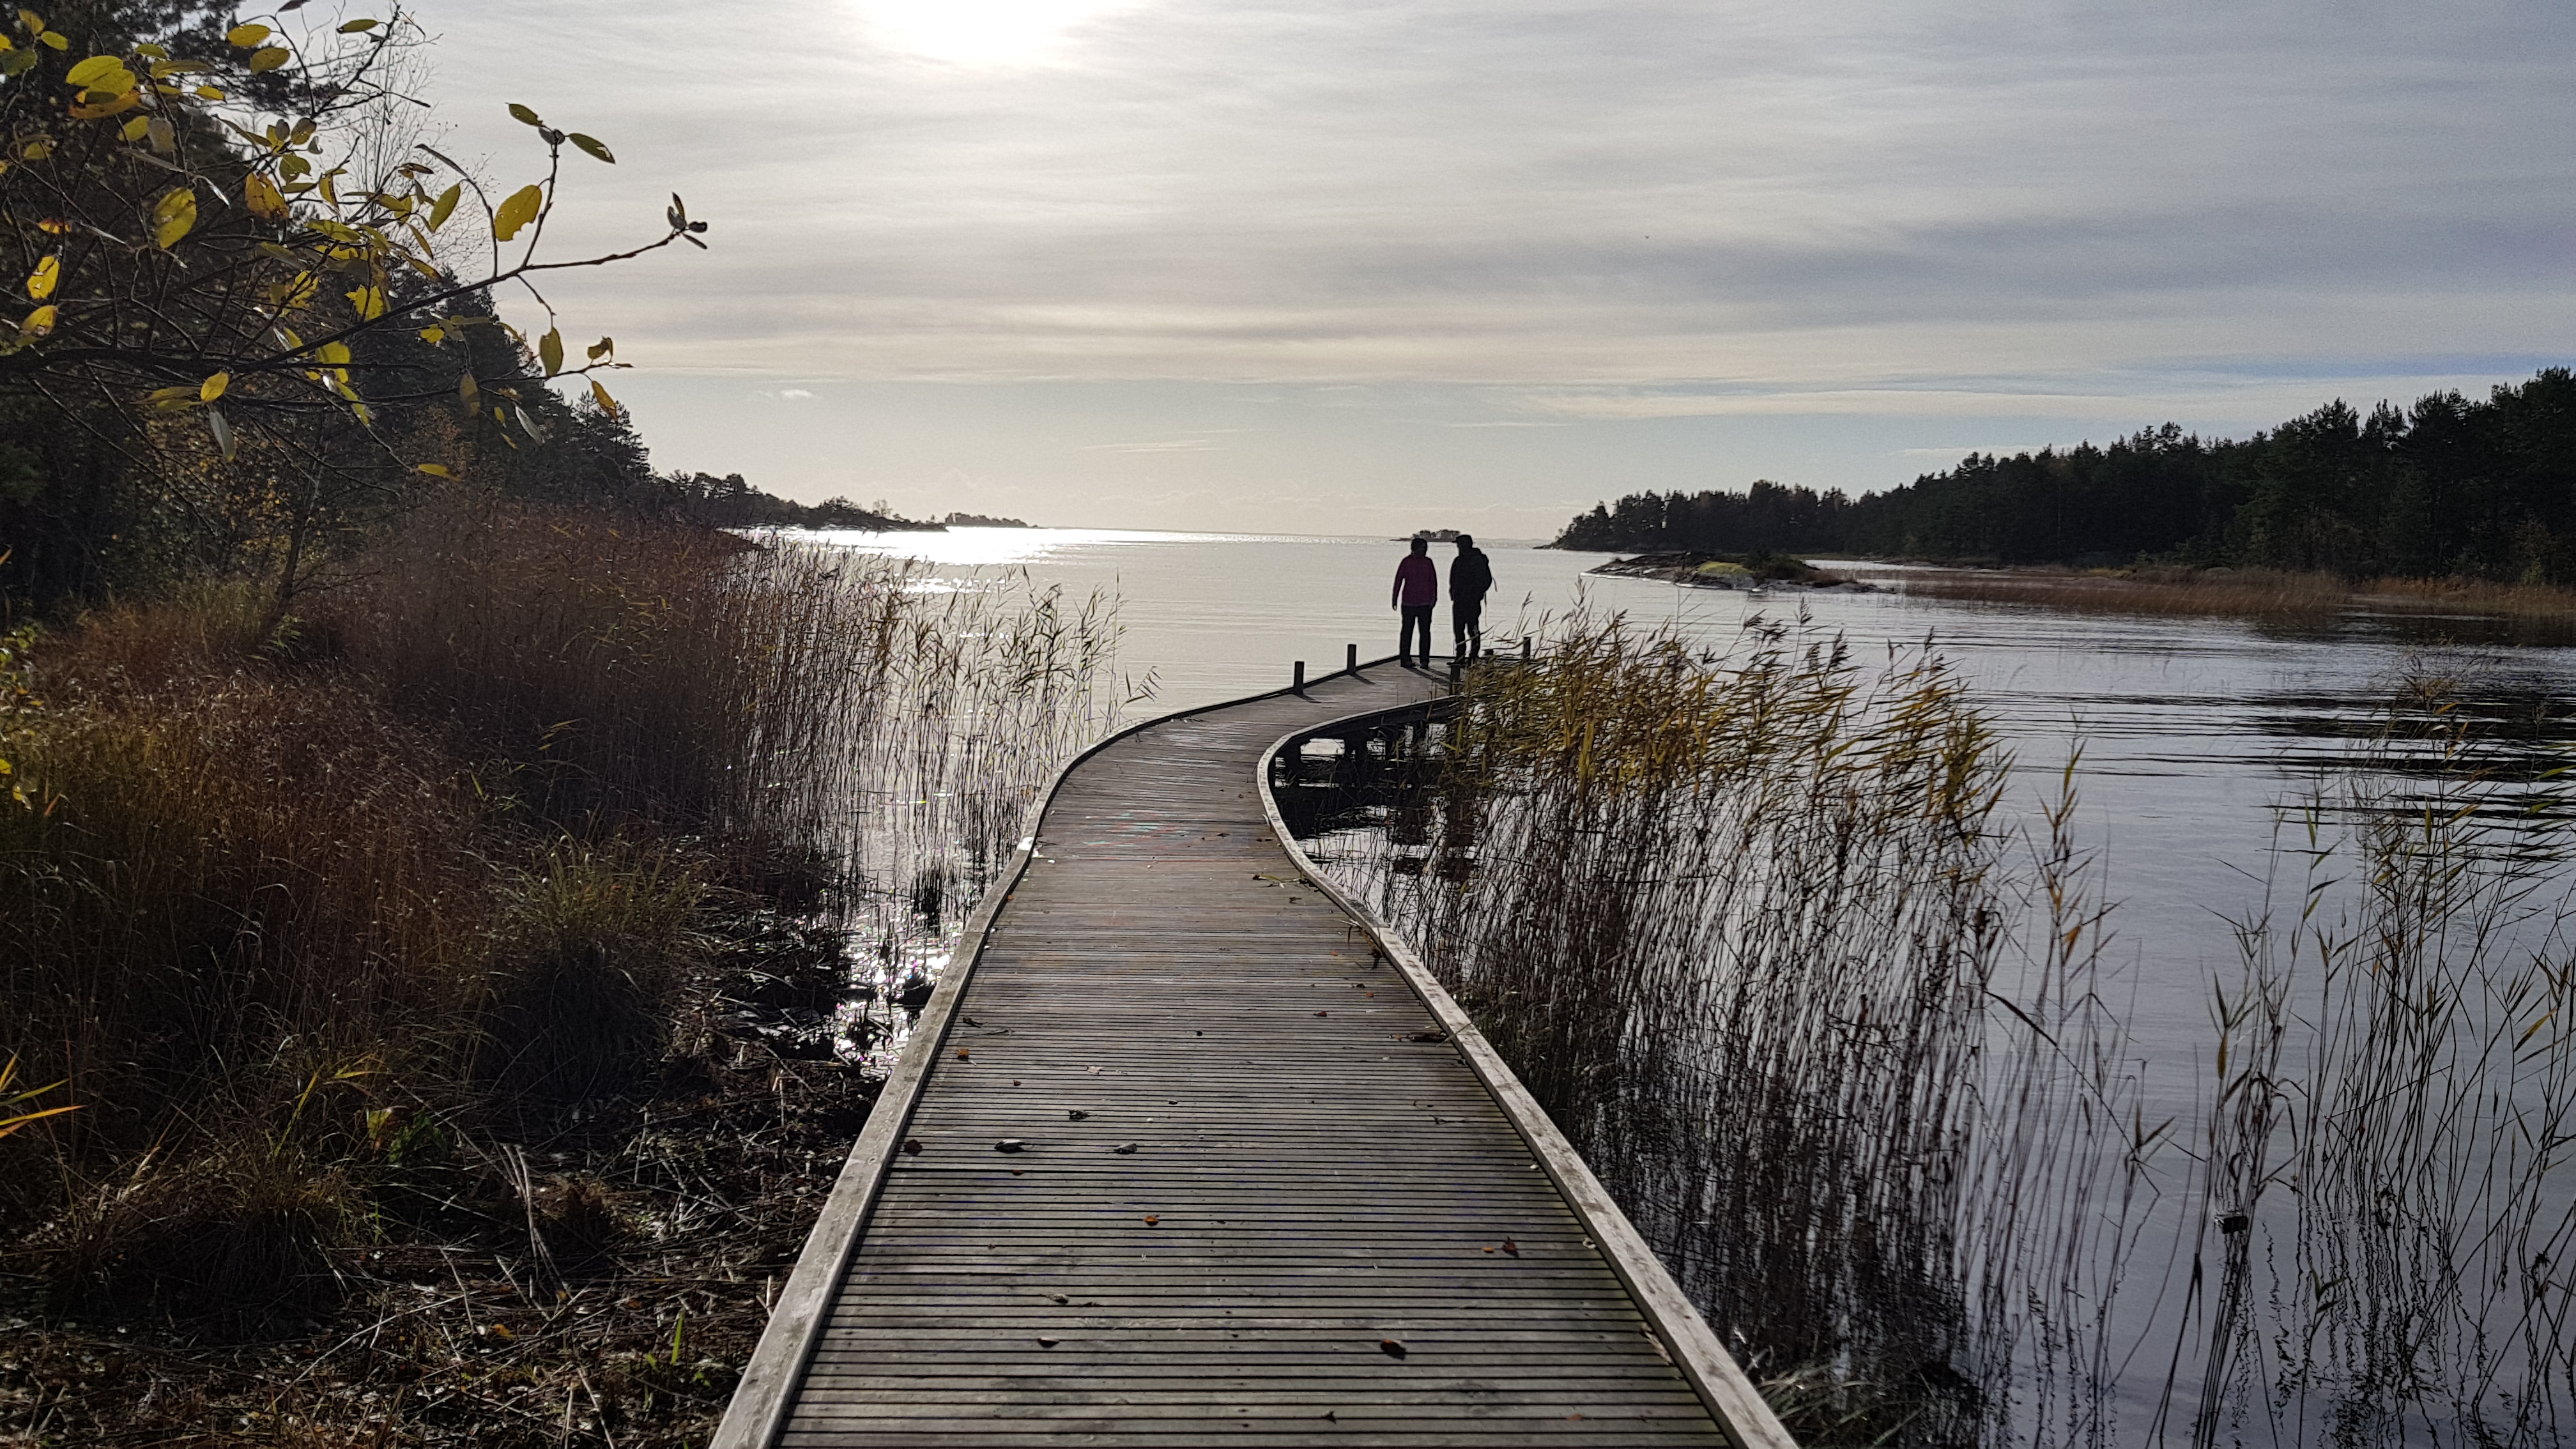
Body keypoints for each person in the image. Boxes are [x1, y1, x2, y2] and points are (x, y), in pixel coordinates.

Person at [1392, 536, 1437, 666]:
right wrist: (1395, 597)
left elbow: (1433, 581)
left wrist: (1434, 598)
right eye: (1423, 548)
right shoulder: (1406, 562)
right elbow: (1398, 580)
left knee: (1425, 632)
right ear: (1415, 548)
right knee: (1407, 631)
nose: (1425, 550)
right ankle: (1405, 659)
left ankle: (1424, 660)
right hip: (1408, 602)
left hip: (1425, 603)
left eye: (1426, 548)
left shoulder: (1428, 562)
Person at [1449, 533, 1492, 660]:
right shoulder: (1458, 560)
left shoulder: (1478, 560)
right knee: (1458, 629)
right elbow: (1453, 579)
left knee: (1472, 629)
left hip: (1472, 601)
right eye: (1458, 545)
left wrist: (1477, 593)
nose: (1458, 547)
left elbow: (1486, 580)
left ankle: (1473, 655)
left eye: (1460, 545)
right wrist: (1453, 593)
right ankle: (1460, 655)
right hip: (1458, 601)